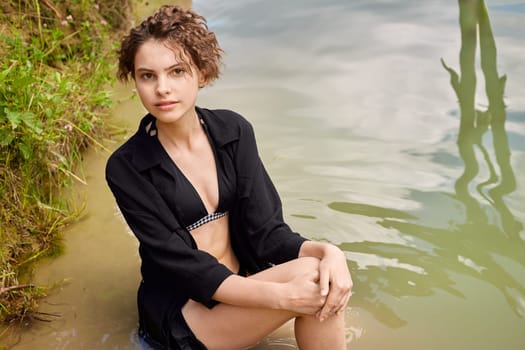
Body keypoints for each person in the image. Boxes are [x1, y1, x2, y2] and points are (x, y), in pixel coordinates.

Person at [106, 5, 352, 350]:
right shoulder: (127, 167)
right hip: (185, 312)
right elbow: (186, 267)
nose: (162, 88)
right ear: (135, 80)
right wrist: (283, 297)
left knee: (320, 274)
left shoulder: (233, 131)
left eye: (177, 71)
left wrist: (331, 253)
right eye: (148, 75)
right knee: (313, 283)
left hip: (244, 289)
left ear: (202, 74)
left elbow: (268, 234)